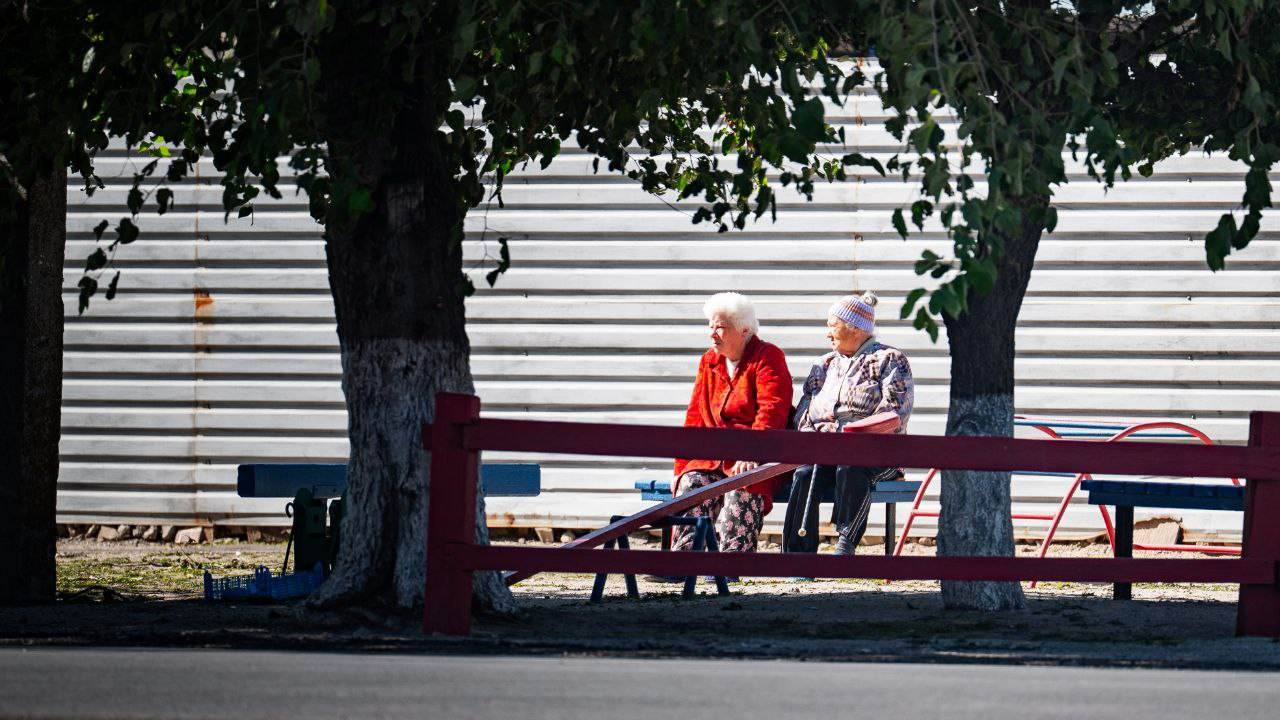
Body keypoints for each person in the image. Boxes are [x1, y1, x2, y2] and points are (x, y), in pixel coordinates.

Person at [782, 291, 914, 555]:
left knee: (851, 464)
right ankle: (798, 553)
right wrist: (813, 435)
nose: (827, 334)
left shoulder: (889, 359)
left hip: (875, 452)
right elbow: (805, 411)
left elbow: (894, 413)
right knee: (805, 472)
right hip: (825, 448)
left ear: (854, 328)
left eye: (832, 326)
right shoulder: (825, 364)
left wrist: (853, 434)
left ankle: (846, 542)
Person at [669, 292, 793, 555]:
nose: (712, 334)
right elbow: (694, 417)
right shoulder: (709, 361)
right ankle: (682, 559)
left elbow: (772, 411)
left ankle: (732, 560)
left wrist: (752, 453)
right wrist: (681, 468)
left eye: (720, 327)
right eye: (710, 326)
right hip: (712, 457)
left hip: (756, 457)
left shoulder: (767, 357)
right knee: (692, 483)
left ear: (744, 330)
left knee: (745, 484)